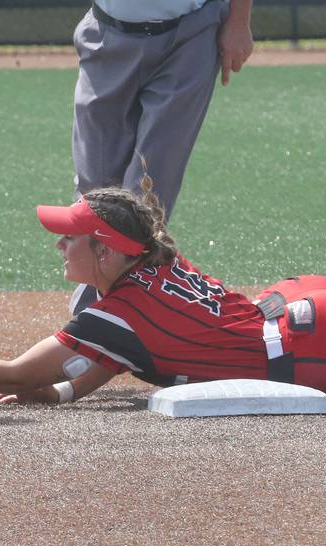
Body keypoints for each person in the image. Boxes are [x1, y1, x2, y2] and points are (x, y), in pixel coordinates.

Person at [0, 180, 326, 404]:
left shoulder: (118, 308)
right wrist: (66, 390)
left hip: (320, 345)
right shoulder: (148, 262)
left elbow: (12, 374)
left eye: (70, 236)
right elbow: (122, 349)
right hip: (298, 305)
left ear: (105, 252)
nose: (59, 242)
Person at [68, 0, 254, 315]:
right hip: (107, 34)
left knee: (149, 187)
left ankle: (118, 313)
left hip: (190, 35)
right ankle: (95, 311)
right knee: (95, 189)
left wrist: (239, 21)